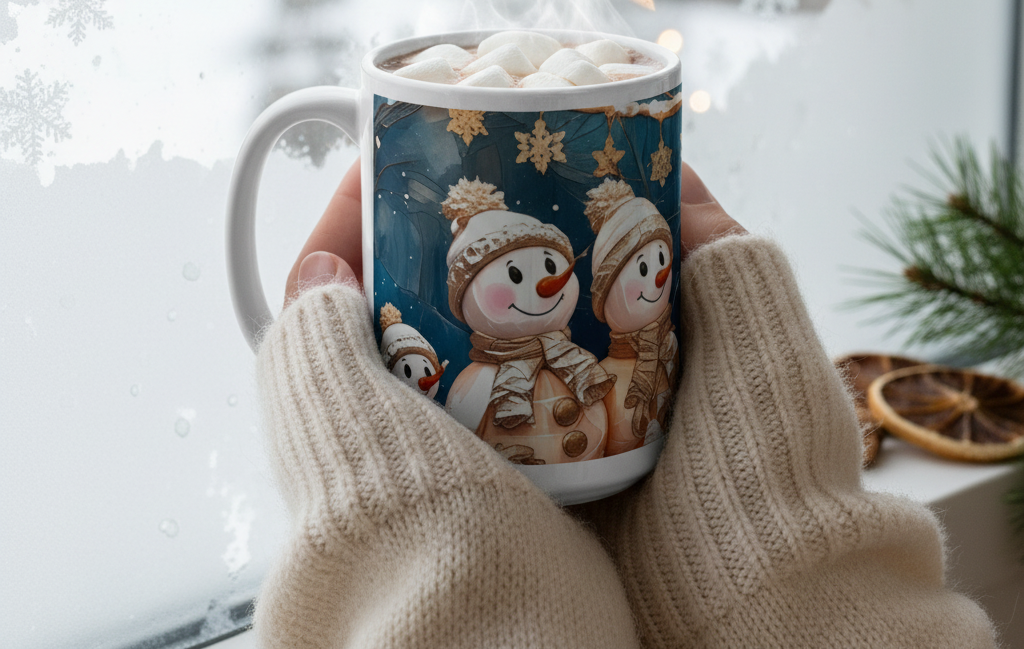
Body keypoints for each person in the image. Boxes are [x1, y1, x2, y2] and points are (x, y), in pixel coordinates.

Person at [252, 160, 998, 648]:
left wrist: (448, 591)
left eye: (553, 267)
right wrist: (793, 599)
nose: (545, 285)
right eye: (519, 274)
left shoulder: (589, 364)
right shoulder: (485, 378)